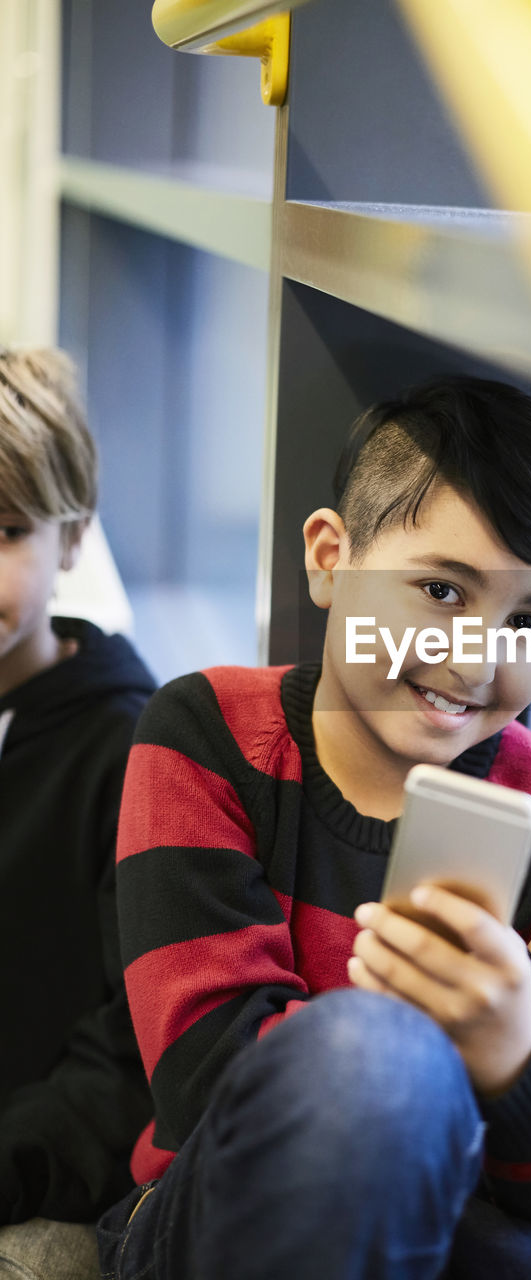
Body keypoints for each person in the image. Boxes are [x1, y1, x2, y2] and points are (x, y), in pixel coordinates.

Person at [100, 376, 531, 1279]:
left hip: (446, 1227)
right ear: (329, 558)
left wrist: (523, 1043)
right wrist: (528, 998)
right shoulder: (204, 732)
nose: (475, 656)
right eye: (439, 590)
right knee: (367, 1061)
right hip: (208, 1216)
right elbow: (219, 1089)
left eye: (528, 620)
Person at [0, 348, 155, 1274]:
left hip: (40, 1176)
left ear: (73, 537)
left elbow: (130, 1056)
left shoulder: (129, 749)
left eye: (9, 530)